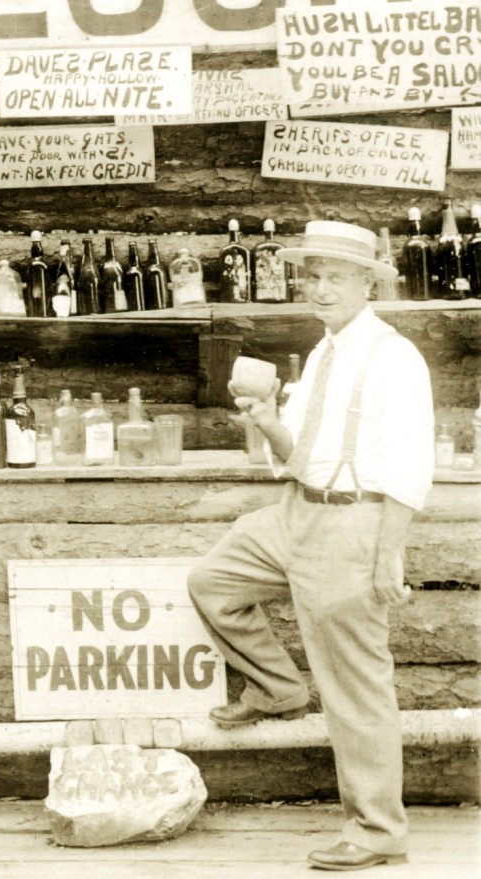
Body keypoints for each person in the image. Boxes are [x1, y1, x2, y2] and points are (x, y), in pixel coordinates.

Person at [188, 219, 434, 872]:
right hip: (295, 512)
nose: (320, 288)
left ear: (366, 283)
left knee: (356, 687)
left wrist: (386, 555)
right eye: (313, 275)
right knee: (214, 581)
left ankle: (377, 829)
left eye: (335, 276)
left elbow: (410, 466)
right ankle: (276, 687)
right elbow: (300, 454)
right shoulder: (324, 349)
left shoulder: (393, 357)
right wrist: (269, 423)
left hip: (353, 524)